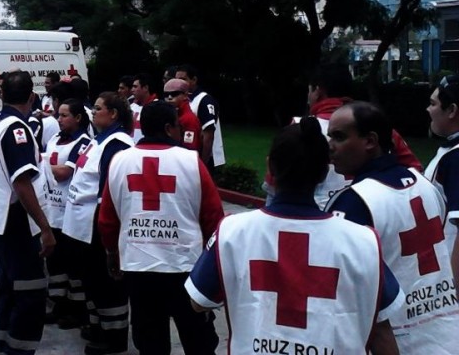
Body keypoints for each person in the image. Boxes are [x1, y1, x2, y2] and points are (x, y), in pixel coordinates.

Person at [187, 117, 402, 354]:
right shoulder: (363, 241)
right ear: (323, 173)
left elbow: (199, 301)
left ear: (270, 168)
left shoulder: (232, 231)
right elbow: (382, 331)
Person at [326, 102, 458, 352]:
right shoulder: (424, 184)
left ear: (370, 141)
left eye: (339, 137)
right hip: (446, 333)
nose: (330, 146)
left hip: (397, 341)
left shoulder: (355, 202)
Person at [100, 101, 224, 355]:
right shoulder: (191, 162)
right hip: (186, 268)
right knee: (198, 340)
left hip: (138, 267)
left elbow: (108, 219)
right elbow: (213, 217)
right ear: (169, 128)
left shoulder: (120, 161)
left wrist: (112, 252)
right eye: (178, 127)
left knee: (150, 342)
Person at [264, 64, 421, 207]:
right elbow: (415, 175)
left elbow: (276, 185)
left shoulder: (299, 128)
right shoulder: (379, 128)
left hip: (317, 221)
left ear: (317, 91)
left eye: (309, 90)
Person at [0, 70, 55, 355]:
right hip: (18, 222)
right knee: (30, 294)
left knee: (11, 290)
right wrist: (46, 228)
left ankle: (5, 345)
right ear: (32, 97)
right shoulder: (17, 129)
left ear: (1, 94)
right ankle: (18, 350)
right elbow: (22, 182)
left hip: (2, 219)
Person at [64, 92, 134, 355]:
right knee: (92, 279)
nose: (93, 112)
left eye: (98, 108)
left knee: (107, 283)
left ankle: (114, 335)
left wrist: (108, 232)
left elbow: (109, 189)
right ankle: (98, 325)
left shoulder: (117, 144)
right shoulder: (99, 140)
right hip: (81, 223)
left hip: (97, 221)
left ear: (114, 113)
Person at [43, 98, 93, 327]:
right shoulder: (54, 139)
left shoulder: (84, 143)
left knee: (73, 265)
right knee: (55, 264)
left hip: (68, 214)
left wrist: (41, 166)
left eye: (64, 115)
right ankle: (58, 303)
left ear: (78, 118)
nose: (59, 119)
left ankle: (77, 310)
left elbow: (64, 172)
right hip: (51, 211)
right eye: (58, 115)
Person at [425, 75, 459, 291]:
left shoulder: (455, 158)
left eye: (433, 103)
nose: (428, 110)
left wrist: (454, 289)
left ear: (452, 110)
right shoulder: (451, 152)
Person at [175, 65, 225, 168]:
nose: (179, 83)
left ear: (194, 80)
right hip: (190, 157)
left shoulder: (204, 100)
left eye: (183, 79)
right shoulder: (184, 99)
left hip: (206, 159)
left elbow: (209, 135)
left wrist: (202, 165)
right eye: (176, 80)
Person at [163, 78, 202, 152]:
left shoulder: (189, 119)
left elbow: (189, 151)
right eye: (166, 94)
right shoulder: (171, 115)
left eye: (175, 94)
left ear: (185, 95)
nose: (169, 97)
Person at [130, 74, 159, 143]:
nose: (132, 90)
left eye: (135, 87)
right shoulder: (131, 107)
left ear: (145, 88)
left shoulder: (158, 107)